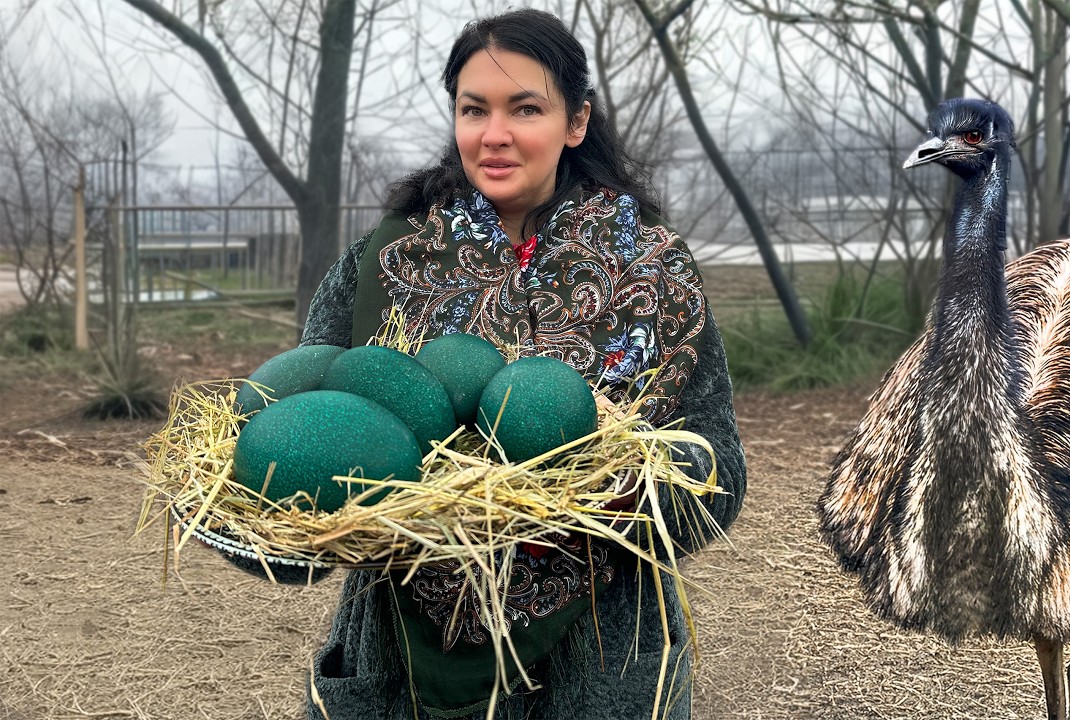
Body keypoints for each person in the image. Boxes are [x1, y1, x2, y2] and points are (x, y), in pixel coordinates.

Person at [221, 8, 745, 719]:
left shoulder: (651, 273)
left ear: (576, 121)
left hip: (602, 670)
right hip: (398, 669)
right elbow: (309, 430)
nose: (494, 134)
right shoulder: (384, 264)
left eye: (525, 108)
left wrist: (621, 487)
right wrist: (278, 515)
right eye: (475, 109)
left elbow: (720, 471)